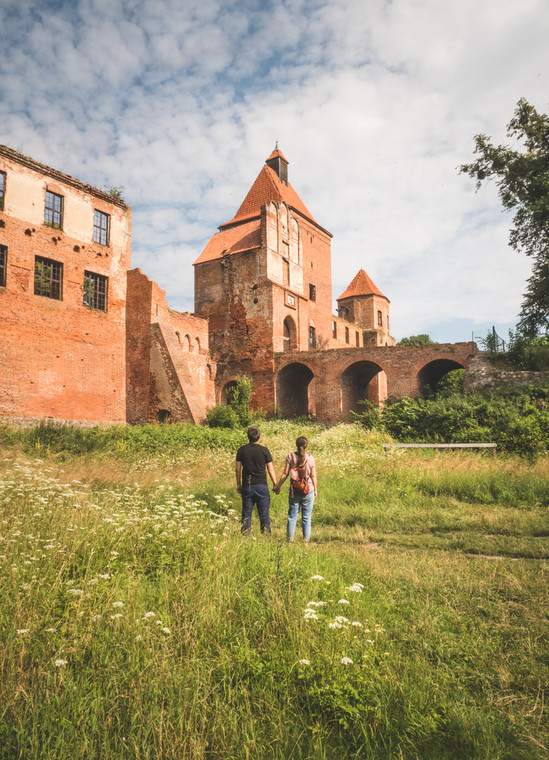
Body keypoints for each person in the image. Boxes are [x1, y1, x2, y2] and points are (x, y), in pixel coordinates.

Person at [274, 436, 317, 542]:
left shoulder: (290, 456)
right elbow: (313, 476)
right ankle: (305, 542)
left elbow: (285, 473)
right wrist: (315, 489)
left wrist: (277, 486)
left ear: (296, 445)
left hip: (294, 490)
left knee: (292, 517)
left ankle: (290, 541)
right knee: (306, 518)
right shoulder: (310, 458)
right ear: (306, 445)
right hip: (308, 490)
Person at [235, 425, 277, 535]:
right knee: (264, 513)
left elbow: (237, 469)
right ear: (260, 436)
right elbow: (270, 469)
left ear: (248, 437)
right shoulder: (264, 450)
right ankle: (266, 536)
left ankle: (245, 536)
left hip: (247, 485)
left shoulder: (242, 450)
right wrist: (275, 484)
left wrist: (238, 484)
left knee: (246, 513)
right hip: (262, 485)